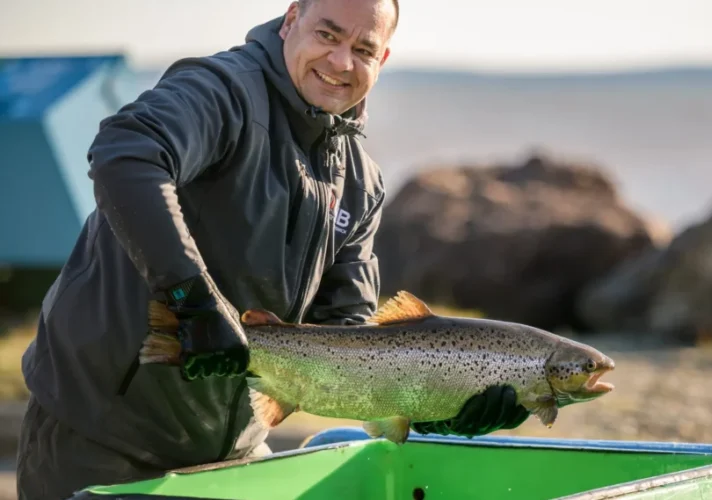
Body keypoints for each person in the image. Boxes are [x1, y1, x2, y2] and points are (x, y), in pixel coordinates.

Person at [15, 1, 528, 498]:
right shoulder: (220, 91)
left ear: (383, 60)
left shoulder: (361, 184)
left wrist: (435, 405)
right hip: (99, 438)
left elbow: (344, 339)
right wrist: (188, 296)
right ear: (290, 22)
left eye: (364, 49)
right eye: (328, 34)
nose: (341, 61)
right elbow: (124, 153)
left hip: (233, 453)